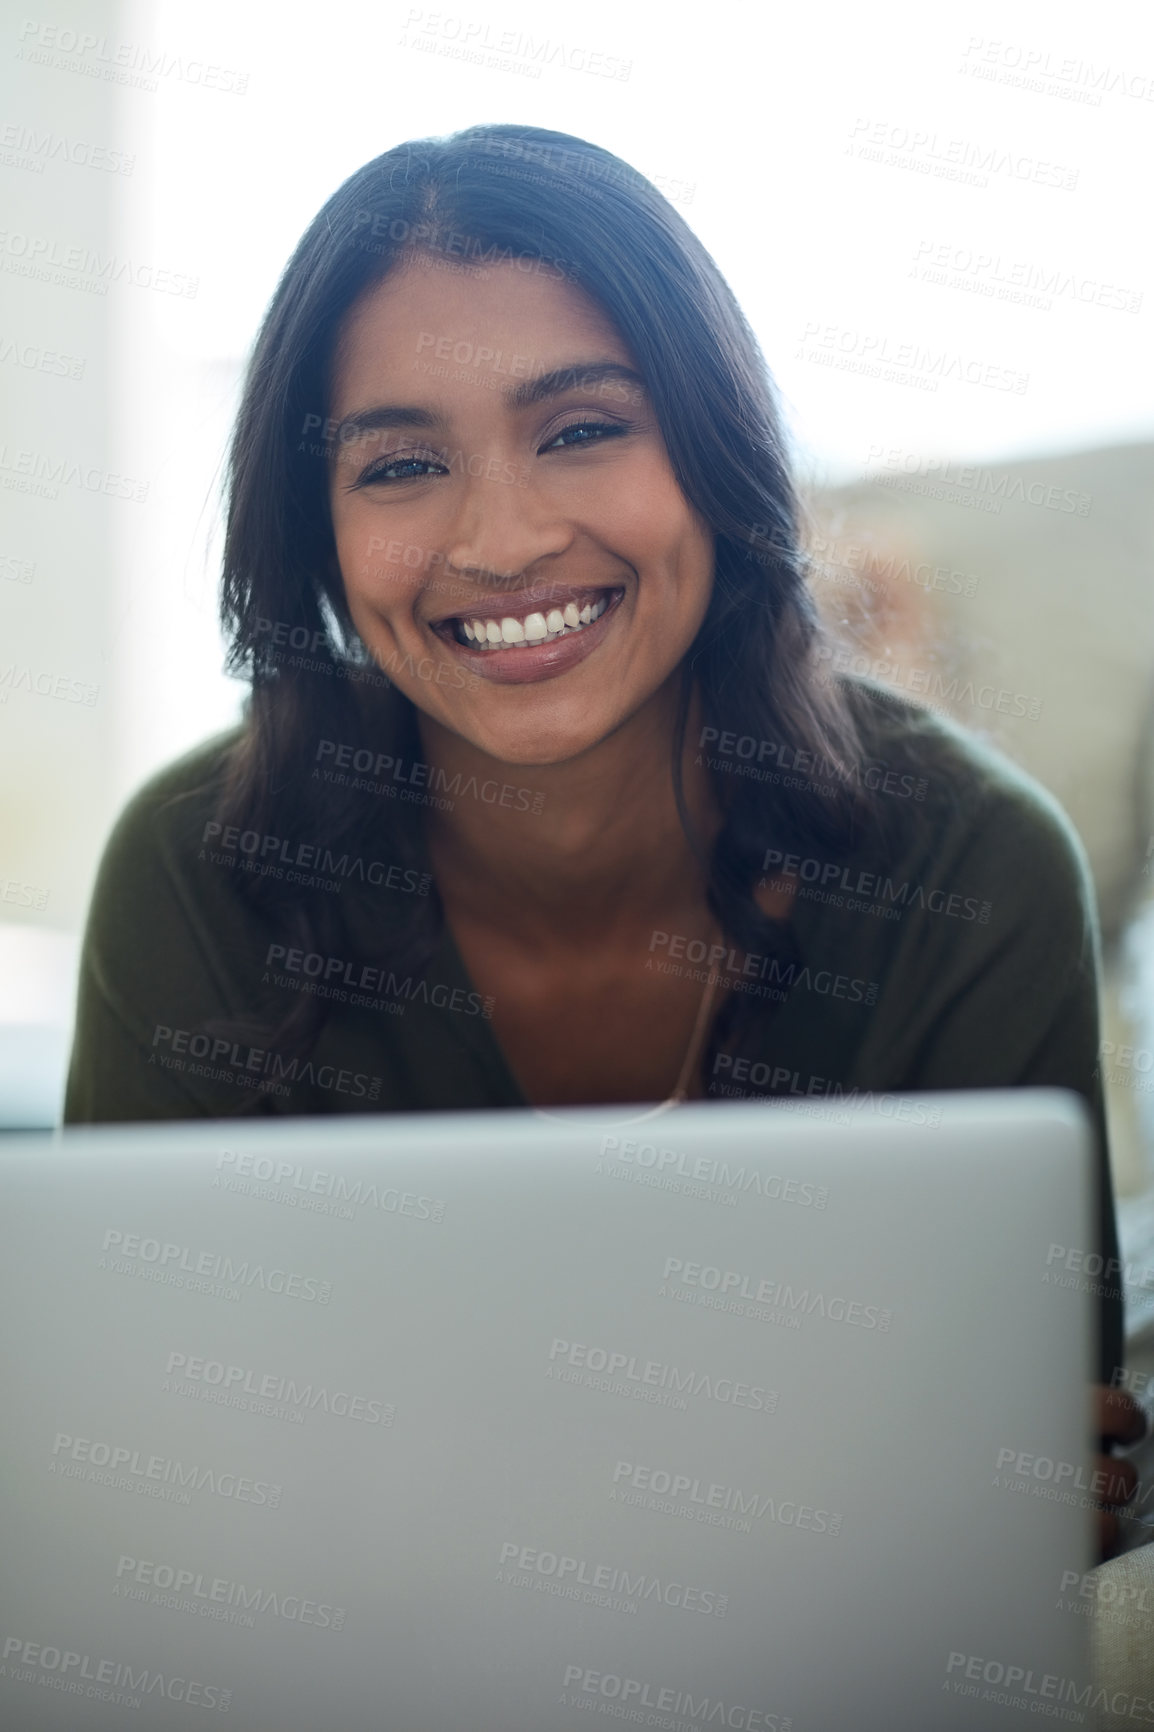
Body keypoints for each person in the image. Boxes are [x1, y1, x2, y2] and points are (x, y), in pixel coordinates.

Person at [62, 123, 1145, 1554]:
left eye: (579, 430)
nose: (499, 540)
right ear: (312, 529)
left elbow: (1038, 1506)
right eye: (398, 465)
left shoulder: (973, 868)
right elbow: (135, 1482)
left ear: (712, 452)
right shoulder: (198, 865)